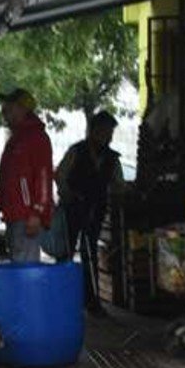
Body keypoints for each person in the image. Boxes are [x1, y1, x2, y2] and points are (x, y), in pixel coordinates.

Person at [57, 110, 125, 312]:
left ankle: (92, 301)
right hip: (73, 210)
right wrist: (68, 195)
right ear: (94, 131)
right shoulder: (76, 151)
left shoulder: (112, 158)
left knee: (90, 254)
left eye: (111, 133)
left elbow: (118, 184)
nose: (109, 137)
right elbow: (61, 175)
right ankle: (62, 297)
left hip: (95, 211)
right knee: (65, 254)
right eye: (106, 131)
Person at [0, 88, 53, 263]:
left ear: (23, 108)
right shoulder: (15, 140)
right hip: (14, 218)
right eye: (4, 109)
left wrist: (37, 213)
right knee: (18, 267)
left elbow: (44, 179)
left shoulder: (36, 138)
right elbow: (6, 184)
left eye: (8, 108)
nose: (4, 112)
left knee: (25, 270)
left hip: (26, 219)